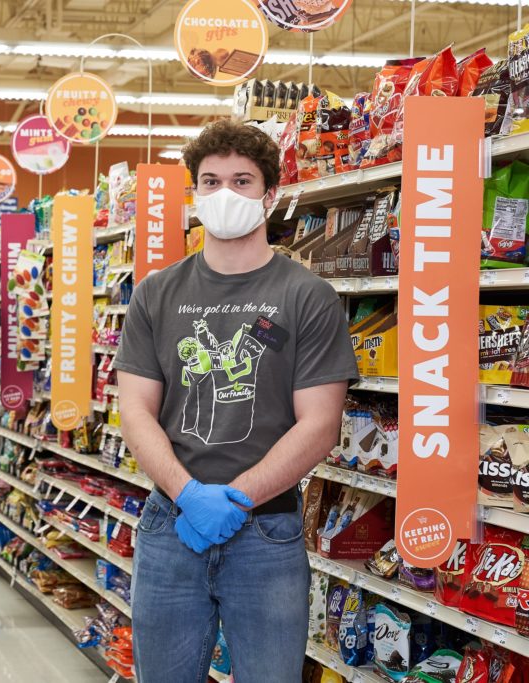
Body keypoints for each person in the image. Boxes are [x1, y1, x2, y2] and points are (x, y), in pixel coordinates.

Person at [115, 120, 358, 682]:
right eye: (211, 181)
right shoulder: (156, 293)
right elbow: (135, 411)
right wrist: (188, 494)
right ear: (195, 195)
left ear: (270, 196)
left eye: (242, 181)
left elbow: (319, 425)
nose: (225, 194)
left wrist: (237, 500)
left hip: (267, 532)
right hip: (170, 524)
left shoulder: (307, 297)